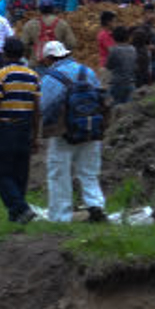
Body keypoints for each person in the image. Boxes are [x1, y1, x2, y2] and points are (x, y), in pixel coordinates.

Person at [38, 40, 109, 223]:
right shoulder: (88, 71)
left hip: (65, 133)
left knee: (59, 173)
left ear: (48, 59)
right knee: (89, 172)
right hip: (91, 128)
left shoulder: (50, 78)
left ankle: (60, 216)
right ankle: (96, 206)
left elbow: (44, 107)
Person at [0, 37, 43, 224]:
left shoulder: (1, 74)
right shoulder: (33, 75)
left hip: (6, 128)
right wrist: (35, 135)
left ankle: (21, 208)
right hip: (25, 127)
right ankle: (16, 217)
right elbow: (37, 108)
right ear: (22, 54)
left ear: (4, 54)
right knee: (20, 172)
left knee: (0, 172)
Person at [18, 0, 74, 64]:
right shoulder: (62, 24)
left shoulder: (30, 25)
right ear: (53, 8)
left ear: (39, 9)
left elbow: (24, 44)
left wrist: (31, 53)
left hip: (37, 63)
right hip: (57, 63)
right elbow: (71, 43)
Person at [103, 26, 137, 104]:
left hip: (117, 84)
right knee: (128, 108)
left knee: (116, 106)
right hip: (131, 82)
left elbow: (108, 66)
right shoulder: (133, 49)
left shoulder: (114, 50)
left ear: (114, 38)